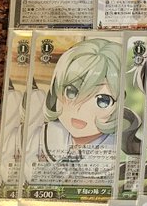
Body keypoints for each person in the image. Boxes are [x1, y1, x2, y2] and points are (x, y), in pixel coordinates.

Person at [24, 38, 121, 186]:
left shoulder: (120, 150)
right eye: (71, 92)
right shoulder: (43, 136)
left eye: (103, 100)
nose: (80, 109)